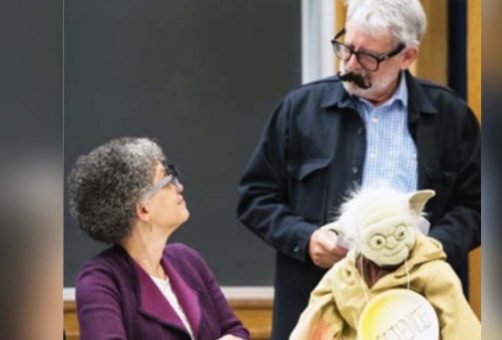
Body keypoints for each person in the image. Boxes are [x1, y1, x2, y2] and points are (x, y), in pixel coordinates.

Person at [237, 0, 481, 338]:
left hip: (415, 313)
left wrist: (432, 248)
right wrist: (307, 240)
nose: (349, 64)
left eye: (368, 56)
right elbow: (254, 198)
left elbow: (476, 206)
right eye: (346, 47)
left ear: (407, 56)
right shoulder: (300, 109)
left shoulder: (450, 116)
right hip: (319, 309)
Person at [69, 137, 249, 340]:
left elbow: (235, 330)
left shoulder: (188, 260)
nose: (178, 187)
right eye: (166, 181)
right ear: (143, 209)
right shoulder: (100, 281)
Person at [290, 187, 481, 339]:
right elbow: (316, 321)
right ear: (353, 238)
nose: (391, 245)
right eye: (378, 241)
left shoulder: (430, 270)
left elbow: (459, 323)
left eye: (399, 234)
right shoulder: (344, 276)